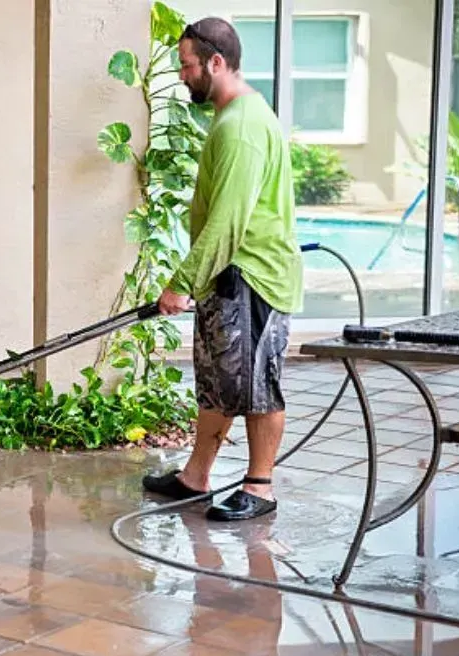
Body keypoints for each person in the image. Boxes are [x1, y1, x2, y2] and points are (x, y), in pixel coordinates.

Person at [142, 17, 303, 521]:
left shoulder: (241, 128)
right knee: (216, 383)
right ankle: (196, 478)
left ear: (215, 62)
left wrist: (180, 284)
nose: (182, 75)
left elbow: (228, 223)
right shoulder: (232, 117)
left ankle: (259, 488)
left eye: (187, 65)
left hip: (252, 277)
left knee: (258, 386)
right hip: (226, 279)